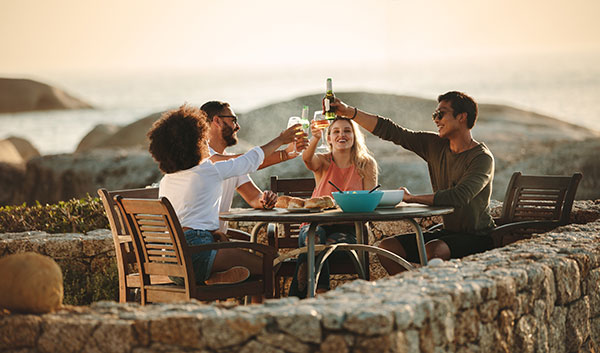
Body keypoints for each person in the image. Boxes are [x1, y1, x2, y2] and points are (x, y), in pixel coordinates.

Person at [329, 91, 495, 275]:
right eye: (434, 115)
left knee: (434, 249)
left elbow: (459, 196)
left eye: (441, 114)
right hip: (447, 234)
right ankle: (414, 290)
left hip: (478, 236)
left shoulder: (481, 158)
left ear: (462, 117)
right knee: (387, 248)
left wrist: (411, 198)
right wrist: (348, 112)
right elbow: (393, 131)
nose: (436, 120)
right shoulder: (435, 144)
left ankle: (431, 295)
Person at [147, 104, 301, 286]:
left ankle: (216, 277)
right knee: (273, 261)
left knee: (249, 260)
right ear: (195, 143)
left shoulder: (167, 180)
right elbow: (249, 160)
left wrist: (213, 233)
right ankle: (215, 280)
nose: (206, 143)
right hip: (197, 254)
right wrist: (280, 140)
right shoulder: (208, 171)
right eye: (203, 139)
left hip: (170, 260)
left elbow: (190, 217)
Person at [289, 116, 378, 297]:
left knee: (317, 247)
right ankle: (321, 292)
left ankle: (299, 299)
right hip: (315, 226)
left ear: (354, 136)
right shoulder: (323, 161)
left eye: (347, 131)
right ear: (328, 138)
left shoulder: (366, 164)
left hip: (351, 230)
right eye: (335, 132)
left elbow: (370, 202)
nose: (341, 135)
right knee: (315, 238)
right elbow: (307, 159)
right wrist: (314, 137)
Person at [201, 101, 309, 234]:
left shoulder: (233, 163)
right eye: (233, 120)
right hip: (201, 242)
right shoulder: (201, 157)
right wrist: (282, 147)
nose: (238, 126)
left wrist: (264, 200)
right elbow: (245, 162)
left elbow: (253, 198)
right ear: (217, 121)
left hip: (215, 239)